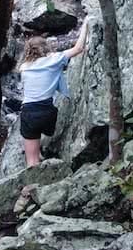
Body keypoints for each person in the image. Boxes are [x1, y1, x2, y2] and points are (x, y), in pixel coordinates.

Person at [18, 18, 89, 167]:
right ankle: (41, 150)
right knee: (41, 131)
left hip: (29, 113)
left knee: (31, 161)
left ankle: (32, 186)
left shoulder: (24, 67)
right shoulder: (54, 60)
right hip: (48, 114)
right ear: (46, 49)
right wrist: (85, 25)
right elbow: (78, 48)